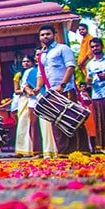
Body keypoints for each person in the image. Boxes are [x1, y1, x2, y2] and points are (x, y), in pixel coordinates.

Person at [33, 24, 90, 156]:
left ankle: (81, 150)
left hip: (65, 89)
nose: (45, 37)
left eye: (48, 34)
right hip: (51, 93)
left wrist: (62, 85)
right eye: (42, 35)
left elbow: (70, 67)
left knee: (73, 119)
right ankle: (64, 152)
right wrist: (38, 87)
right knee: (57, 121)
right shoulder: (41, 55)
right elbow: (41, 73)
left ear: (54, 35)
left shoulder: (63, 49)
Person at [10, 54, 39, 156]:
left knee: (31, 123)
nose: (25, 63)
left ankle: (32, 149)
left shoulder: (35, 71)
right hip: (22, 99)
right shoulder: (19, 74)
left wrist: (29, 91)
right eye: (24, 61)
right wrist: (24, 90)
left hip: (32, 99)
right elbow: (17, 90)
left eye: (28, 61)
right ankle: (22, 149)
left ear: (33, 62)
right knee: (22, 123)